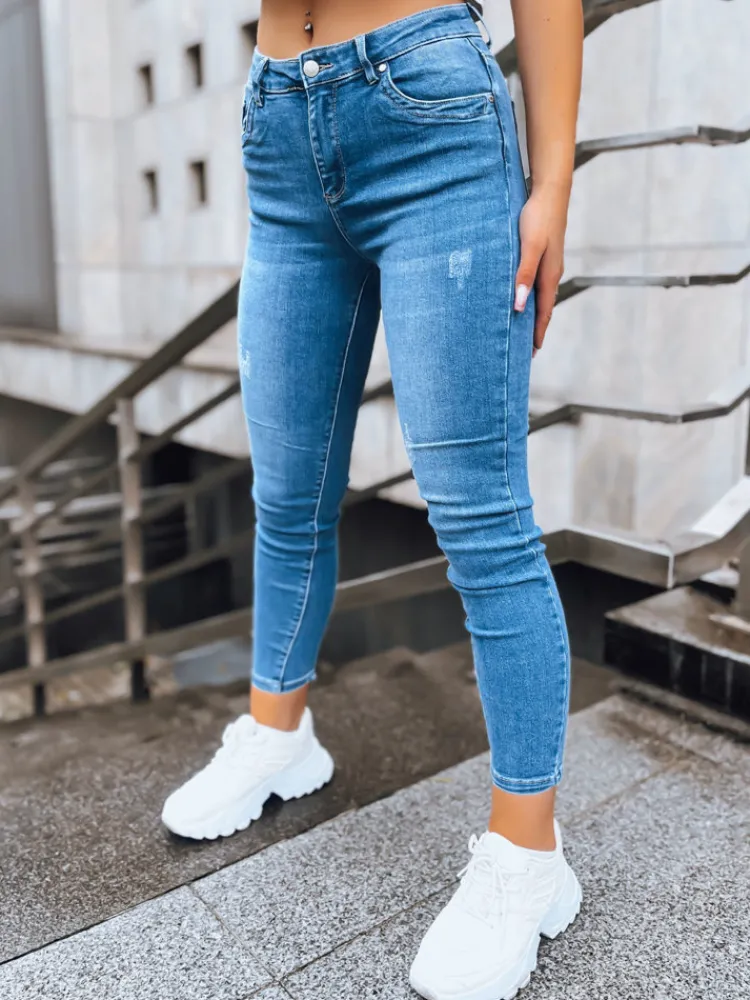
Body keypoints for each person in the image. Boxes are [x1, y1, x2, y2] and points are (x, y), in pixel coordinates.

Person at [162, 1, 583, 996]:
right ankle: (279, 734)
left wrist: (554, 182)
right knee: (286, 491)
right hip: (279, 119)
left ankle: (529, 855)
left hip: (428, 113)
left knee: (481, 518)